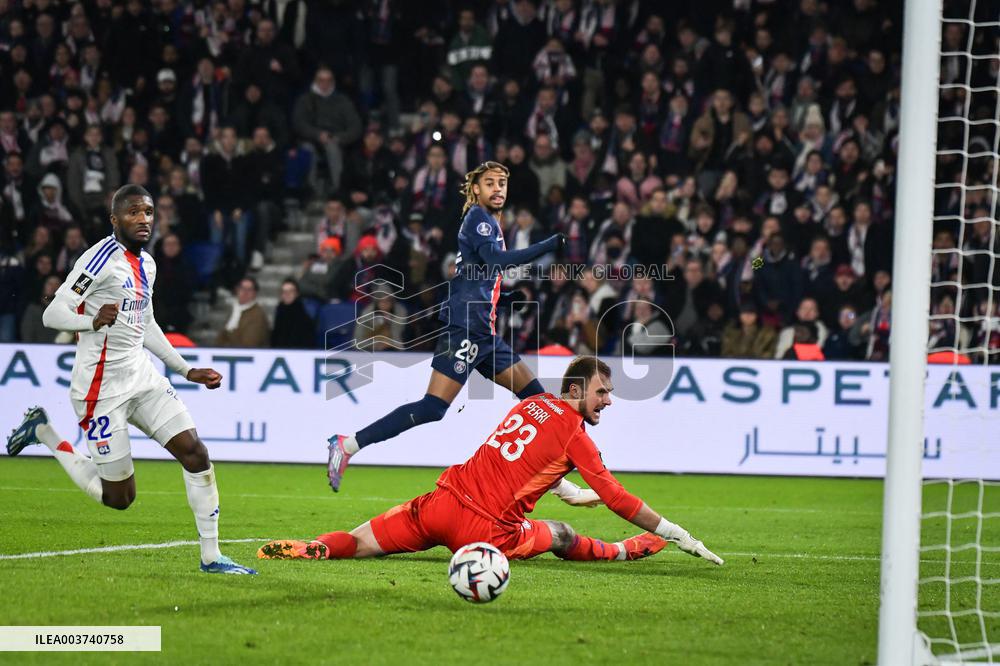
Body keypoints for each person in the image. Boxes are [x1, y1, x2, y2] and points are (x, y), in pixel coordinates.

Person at [259, 357, 723, 568]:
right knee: (559, 533)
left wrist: (567, 489)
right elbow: (617, 497)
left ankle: (314, 547)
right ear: (577, 391)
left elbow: (521, 460)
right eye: (602, 393)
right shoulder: (576, 434)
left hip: (440, 505)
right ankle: (626, 551)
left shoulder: (528, 405)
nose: (608, 402)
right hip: (487, 531)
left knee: (358, 542)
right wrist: (675, 532)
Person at [6, 184, 255, 575]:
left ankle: (211, 556)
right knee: (119, 498)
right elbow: (52, 313)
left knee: (196, 453)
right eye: (134, 212)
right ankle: (45, 434)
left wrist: (185, 370)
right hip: (100, 390)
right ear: (115, 219)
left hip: (141, 377)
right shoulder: (99, 260)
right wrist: (90, 320)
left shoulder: (148, 264)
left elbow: (147, 323)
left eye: (149, 212)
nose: (144, 220)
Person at [326, 161, 564, 492]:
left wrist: (503, 299)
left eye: (502, 183)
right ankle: (347, 444)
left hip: (485, 332)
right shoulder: (479, 219)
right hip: (465, 330)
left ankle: (553, 480)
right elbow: (495, 262)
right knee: (434, 407)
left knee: (537, 400)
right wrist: (547, 245)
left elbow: (477, 274)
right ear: (476, 189)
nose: (497, 189)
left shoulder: (491, 222)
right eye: (490, 183)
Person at [216, 277, 271, 348]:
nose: (245, 292)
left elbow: (249, 344)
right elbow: (221, 338)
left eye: (249, 290)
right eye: (242, 288)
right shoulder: (234, 310)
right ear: (237, 290)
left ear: (254, 293)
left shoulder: (257, 315)